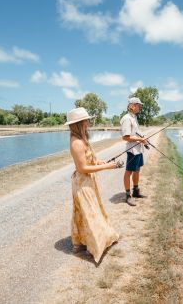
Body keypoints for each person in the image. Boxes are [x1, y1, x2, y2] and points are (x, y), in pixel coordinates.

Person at [66, 107, 119, 263]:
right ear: (79, 123)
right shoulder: (76, 142)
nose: (89, 122)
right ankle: (93, 246)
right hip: (82, 183)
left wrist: (98, 162)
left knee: (86, 212)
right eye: (86, 120)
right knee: (90, 213)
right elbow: (81, 168)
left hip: (88, 181)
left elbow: (88, 160)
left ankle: (80, 243)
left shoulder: (82, 139)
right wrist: (107, 166)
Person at [120, 97, 149, 206]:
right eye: (138, 105)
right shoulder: (127, 118)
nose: (140, 107)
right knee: (129, 171)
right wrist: (141, 139)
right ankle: (128, 195)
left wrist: (143, 137)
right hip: (132, 150)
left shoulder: (134, 117)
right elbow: (126, 137)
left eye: (140, 105)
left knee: (137, 170)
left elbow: (136, 132)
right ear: (131, 106)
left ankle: (136, 191)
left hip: (138, 149)